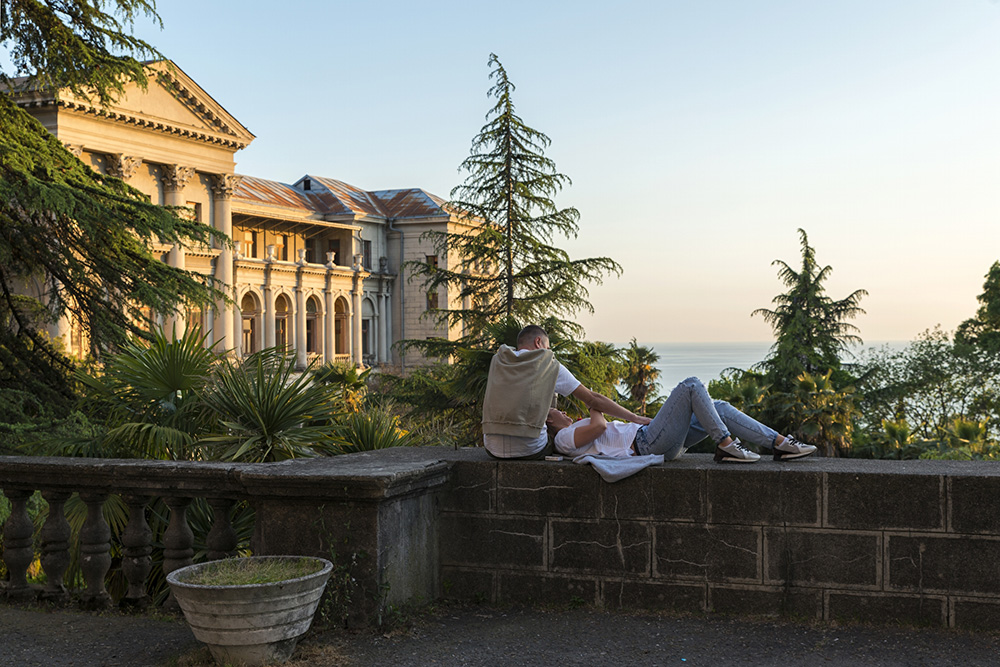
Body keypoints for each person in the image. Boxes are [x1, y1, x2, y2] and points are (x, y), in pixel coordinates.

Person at [546, 376, 817, 463]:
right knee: (690, 385)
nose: (563, 412)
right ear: (550, 422)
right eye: (557, 412)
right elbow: (599, 425)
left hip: (652, 438)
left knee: (718, 406)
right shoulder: (562, 438)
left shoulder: (569, 432)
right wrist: (593, 404)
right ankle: (725, 443)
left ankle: (778, 443)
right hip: (646, 445)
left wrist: (635, 417)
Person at [481, 324, 650, 459]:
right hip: (530, 450)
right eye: (548, 347)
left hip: (492, 448)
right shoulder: (547, 364)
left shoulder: (499, 361)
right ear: (539, 342)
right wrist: (634, 417)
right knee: (558, 442)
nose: (549, 352)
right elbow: (593, 399)